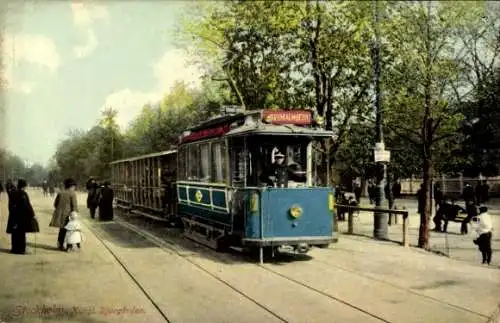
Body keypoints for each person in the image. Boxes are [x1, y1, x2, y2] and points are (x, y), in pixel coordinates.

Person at [6, 179, 36, 254]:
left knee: (14, 233)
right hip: (21, 217)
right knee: (21, 233)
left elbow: (10, 205)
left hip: (13, 216)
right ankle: (21, 249)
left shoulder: (12, 193)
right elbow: (27, 205)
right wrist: (32, 214)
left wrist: (12, 212)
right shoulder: (23, 194)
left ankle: (14, 249)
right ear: (24, 186)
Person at [50, 178, 78, 251]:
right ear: (71, 186)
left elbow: (55, 204)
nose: (74, 188)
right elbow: (74, 205)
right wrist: (75, 214)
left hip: (61, 215)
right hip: (69, 215)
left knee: (62, 230)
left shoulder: (60, 193)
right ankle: (69, 246)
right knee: (70, 231)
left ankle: (60, 244)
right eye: (74, 186)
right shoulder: (73, 193)